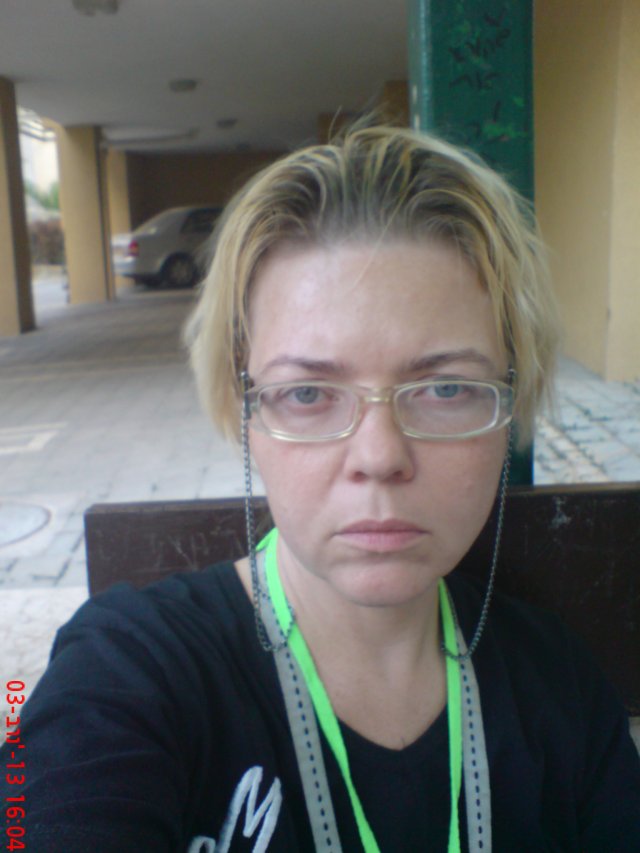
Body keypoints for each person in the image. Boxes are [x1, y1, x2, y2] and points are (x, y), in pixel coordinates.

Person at [2, 124, 639, 852]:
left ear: (509, 411)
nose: (380, 456)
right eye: (307, 393)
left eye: (446, 387)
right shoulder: (128, 675)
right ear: (245, 415)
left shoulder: (558, 684)